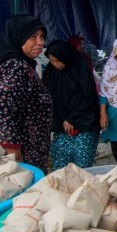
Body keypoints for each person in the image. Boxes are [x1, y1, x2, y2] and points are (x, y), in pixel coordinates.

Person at [0, 14, 52, 172]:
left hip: (23, 146)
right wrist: (14, 154)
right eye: (33, 37)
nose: (40, 42)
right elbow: (4, 110)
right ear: (18, 37)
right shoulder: (15, 66)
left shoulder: (11, 63)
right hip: (19, 152)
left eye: (42, 36)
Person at [41, 41, 101, 170]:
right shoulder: (50, 72)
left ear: (66, 56)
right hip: (61, 125)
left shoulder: (80, 67)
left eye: (58, 60)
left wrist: (72, 118)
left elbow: (88, 96)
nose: (55, 64)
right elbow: (48, 97)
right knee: (61, 164)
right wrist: (61, 119)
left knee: (82, 164)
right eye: (52, 60)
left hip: (84, 123)